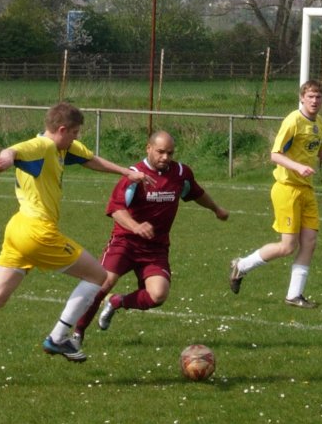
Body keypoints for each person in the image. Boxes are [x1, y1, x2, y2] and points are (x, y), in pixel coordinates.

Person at [0, 102, 153, 386]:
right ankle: (58, 337)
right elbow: (15, 151)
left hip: (17, 230)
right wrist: (5, 159)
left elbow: (91, 159)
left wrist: (127, 173)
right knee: (98, 276)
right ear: (62, 129)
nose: (78, 137)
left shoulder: (63, 147)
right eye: (75, 132)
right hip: (37, 232)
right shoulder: (40, 147)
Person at [72, 130, 229, 345]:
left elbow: (196, 193)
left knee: (158, 295)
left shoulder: (181, 173)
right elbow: (116, 210)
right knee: (102, 284)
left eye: (170, 153)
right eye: (160, 152)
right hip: (125, 243)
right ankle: (77, 334)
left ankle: (118, 302)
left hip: (156, 248)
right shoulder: (134, 175)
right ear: (148, 148)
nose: (165, 157)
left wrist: (216, 208)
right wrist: (136, 227)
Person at [228, 79, 322, 308]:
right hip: (287, 189)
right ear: (302, 98)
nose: (314, 100)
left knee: (309, 243)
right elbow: (275, 154)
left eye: (318, 96)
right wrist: (297, 166)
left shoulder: (320, 123)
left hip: (306, 190)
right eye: (310, 96)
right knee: (287, 246)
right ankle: (242, 266)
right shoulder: (293, 121)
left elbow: (320, 150)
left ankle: (294, 295)